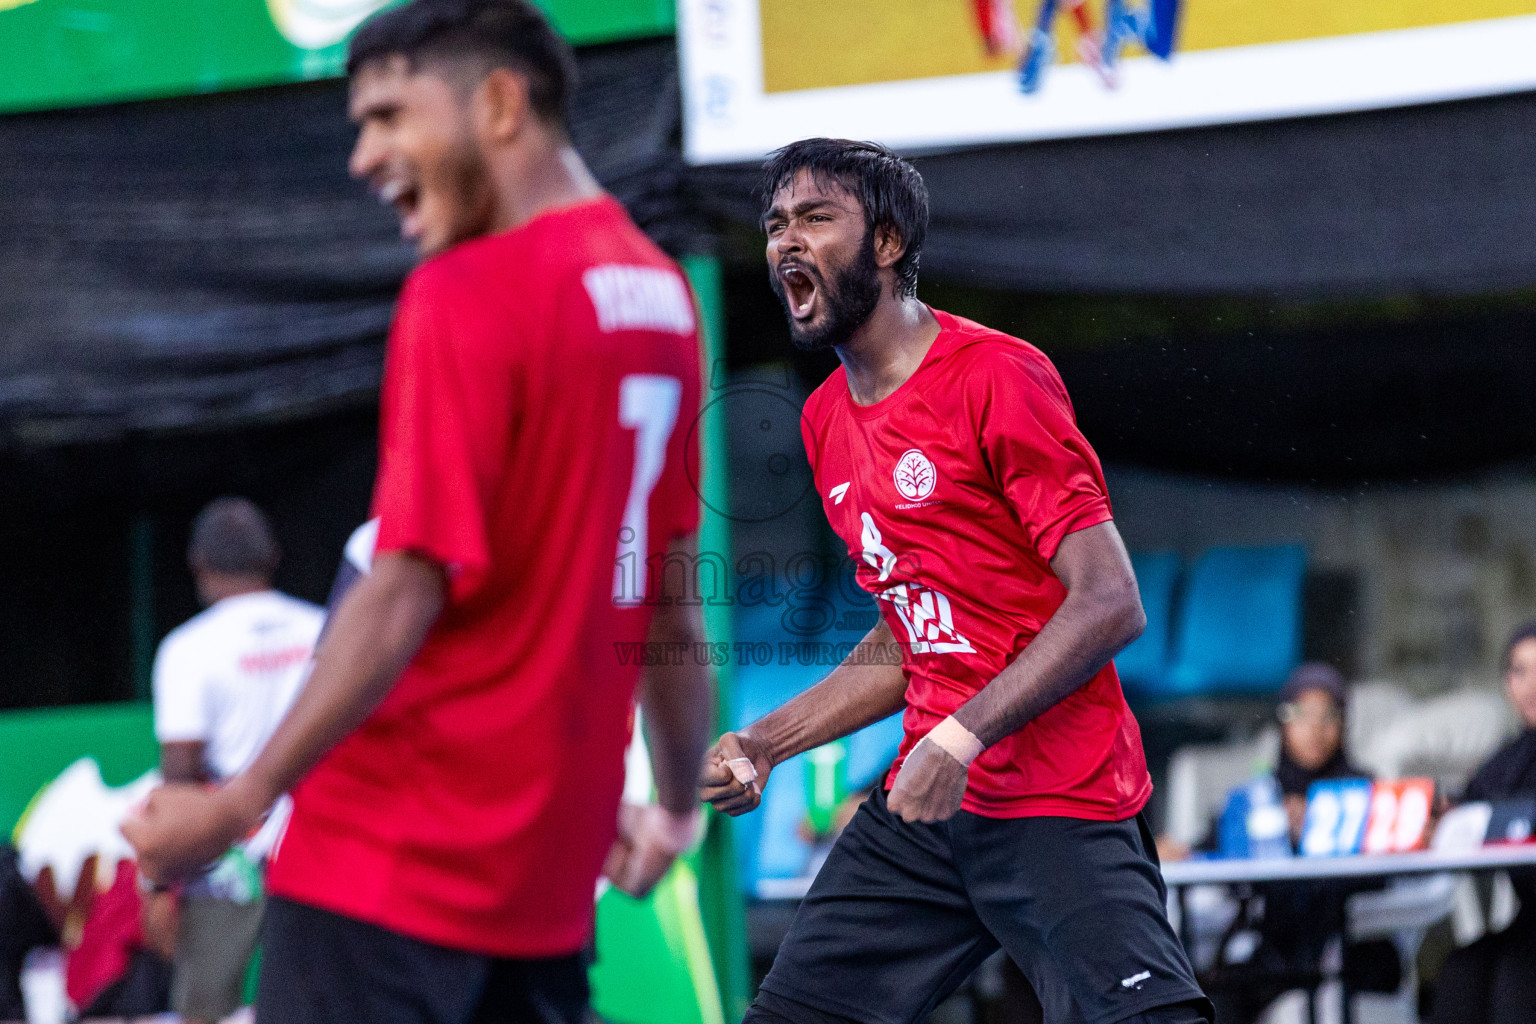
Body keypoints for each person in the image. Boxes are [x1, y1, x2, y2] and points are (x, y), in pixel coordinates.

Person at [123, 3, 713, 1022]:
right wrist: (673, 806)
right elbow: (667, 601)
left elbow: (403, 584)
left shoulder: (468, 288)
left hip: (381, 875)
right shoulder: (660, 297)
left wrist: (233, 803)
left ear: (497, 103)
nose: (365, 155)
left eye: (391, 115)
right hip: (542, 888)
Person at [700, 138, 1212, 1024]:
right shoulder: (824, 420)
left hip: (1060, 795)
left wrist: (961, 738)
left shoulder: (995, 377)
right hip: (925, 805)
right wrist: (770, 743)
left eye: (818, 219)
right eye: (777, 224)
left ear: (888, 243)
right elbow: (913, 624)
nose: (788, 243)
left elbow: (1109, 598)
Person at [149, 497, 323, 1024]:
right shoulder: (328, 628)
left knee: (206, 1008)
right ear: (272, 555)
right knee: (325, 1000)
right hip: (322, 841)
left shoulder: (188, 648)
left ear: (198, 565)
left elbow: (180, 777)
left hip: (230, 853)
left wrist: (159, 882)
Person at [1196, 663, 1400, 1023]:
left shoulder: (1365, 789)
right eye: (1301, 715)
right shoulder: (1262, 793)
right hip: (1271, 950)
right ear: (1283, 724)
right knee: (1213, 998)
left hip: (1348, 948)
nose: (1315, 729)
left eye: (1329, 715)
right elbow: (1217, 847)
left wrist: (1324, 825)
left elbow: (1388, 867)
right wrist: (1179, 849)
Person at [1428, 622, 1536, 1024]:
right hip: (1527, 925)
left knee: (1515, 978)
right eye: (1520, 671)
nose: (1530, 686)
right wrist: (1439, 814)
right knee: (1461, 973)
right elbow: (1470, 804)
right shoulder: (1511, 759)